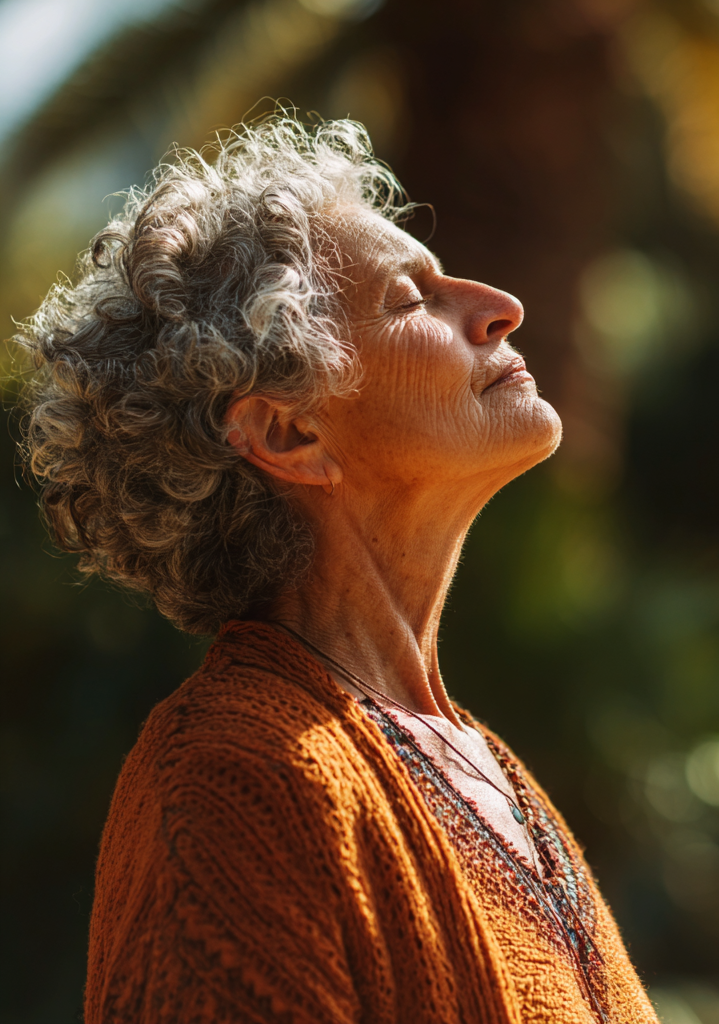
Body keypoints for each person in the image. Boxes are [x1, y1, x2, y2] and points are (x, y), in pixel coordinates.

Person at [19, 117, 658, 1024]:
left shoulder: (483, 765)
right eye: (412, 298)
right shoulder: (235, 782)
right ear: (289, 433)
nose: (500, 304)